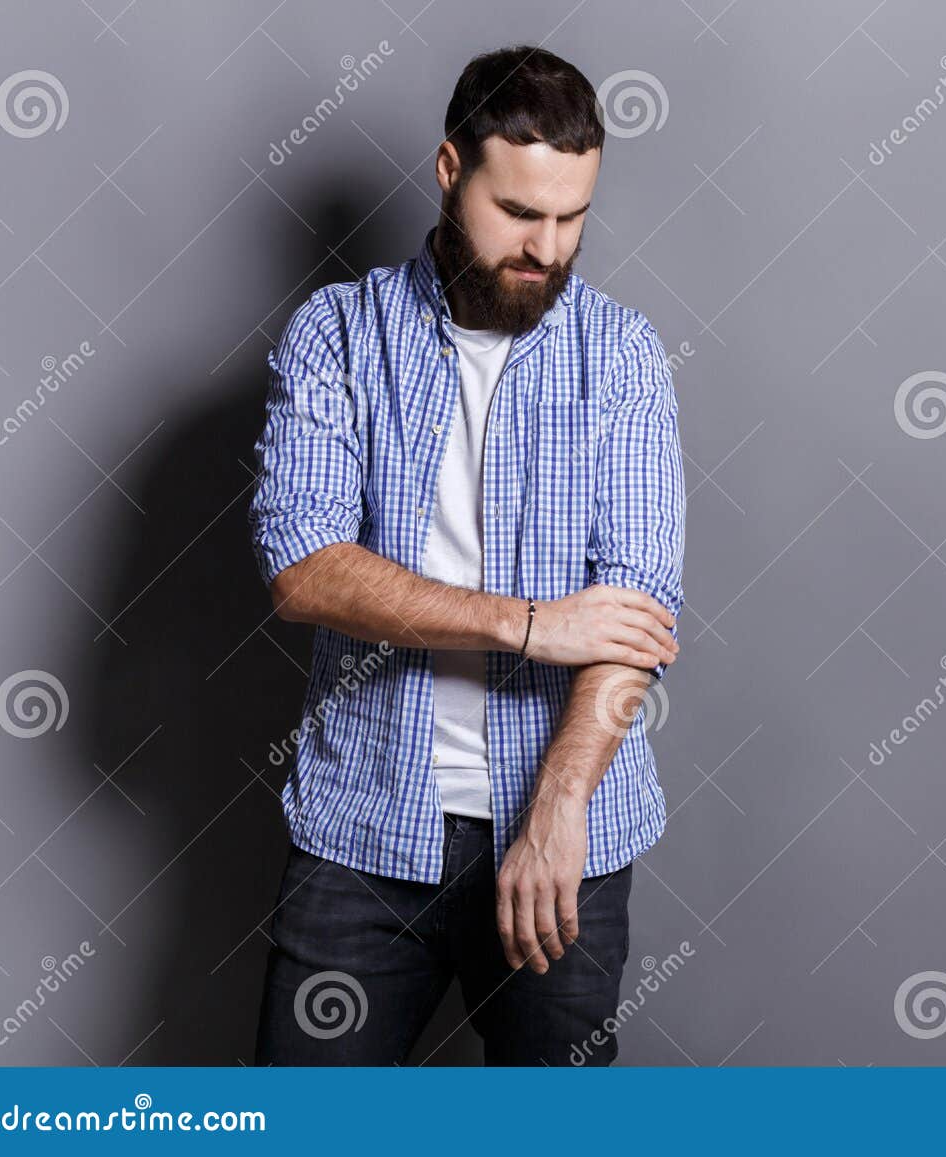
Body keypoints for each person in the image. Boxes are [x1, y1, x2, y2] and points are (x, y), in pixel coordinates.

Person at [246, 44, 686, 1066]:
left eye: (571, 217)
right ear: (451, 171)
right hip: (361, 833)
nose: (546, 245)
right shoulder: (337, 336)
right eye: (519, 212)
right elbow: (305, 566)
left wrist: (558, 808)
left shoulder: (619, 355)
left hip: (563, 835)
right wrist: (528, 621)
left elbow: (638, 623)